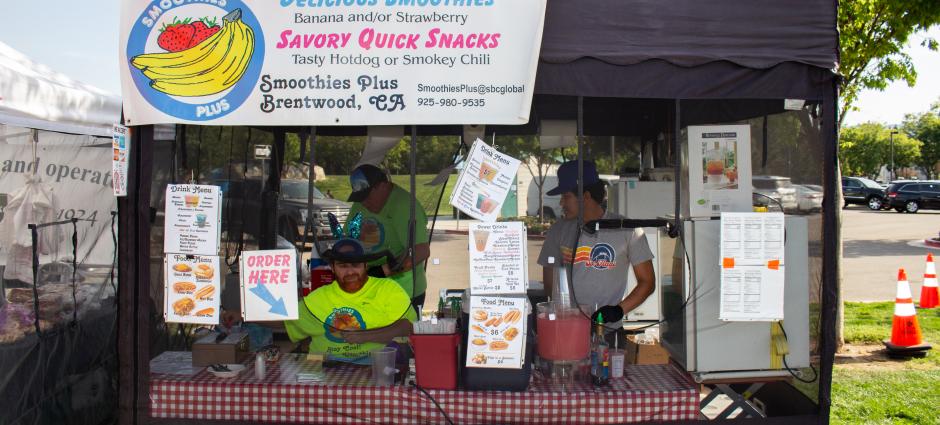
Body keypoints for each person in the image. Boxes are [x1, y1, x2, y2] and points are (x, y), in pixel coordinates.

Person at [536, 160, 656, 344]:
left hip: (608, 331)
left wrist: (618, 310)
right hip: (567, 331)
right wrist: (564, 314)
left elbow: (647, 282)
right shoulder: (557, 231)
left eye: (565, 196)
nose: (560, 203)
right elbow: (550, 283)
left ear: (585, 196)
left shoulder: (627, 230)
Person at [284, 238, 416, 363]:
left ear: (365, 265)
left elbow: (407, 327)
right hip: (324, 368)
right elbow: (285, 321)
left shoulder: (388, 289)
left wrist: (364, 336)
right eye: (343, 266)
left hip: (374, 368)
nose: (350, 272)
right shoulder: (318, 297)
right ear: (332, 267)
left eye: (355, 265)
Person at [345, 164, 430, 312]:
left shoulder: (404, 205)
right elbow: (348, 239)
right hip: (369, 288)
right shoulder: (360, 204)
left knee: (398, 334)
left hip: (404, 291)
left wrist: (382, 271)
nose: (364, 203)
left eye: (367, 196)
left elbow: (421, 251)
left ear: (383, 185)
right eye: (360, 198)